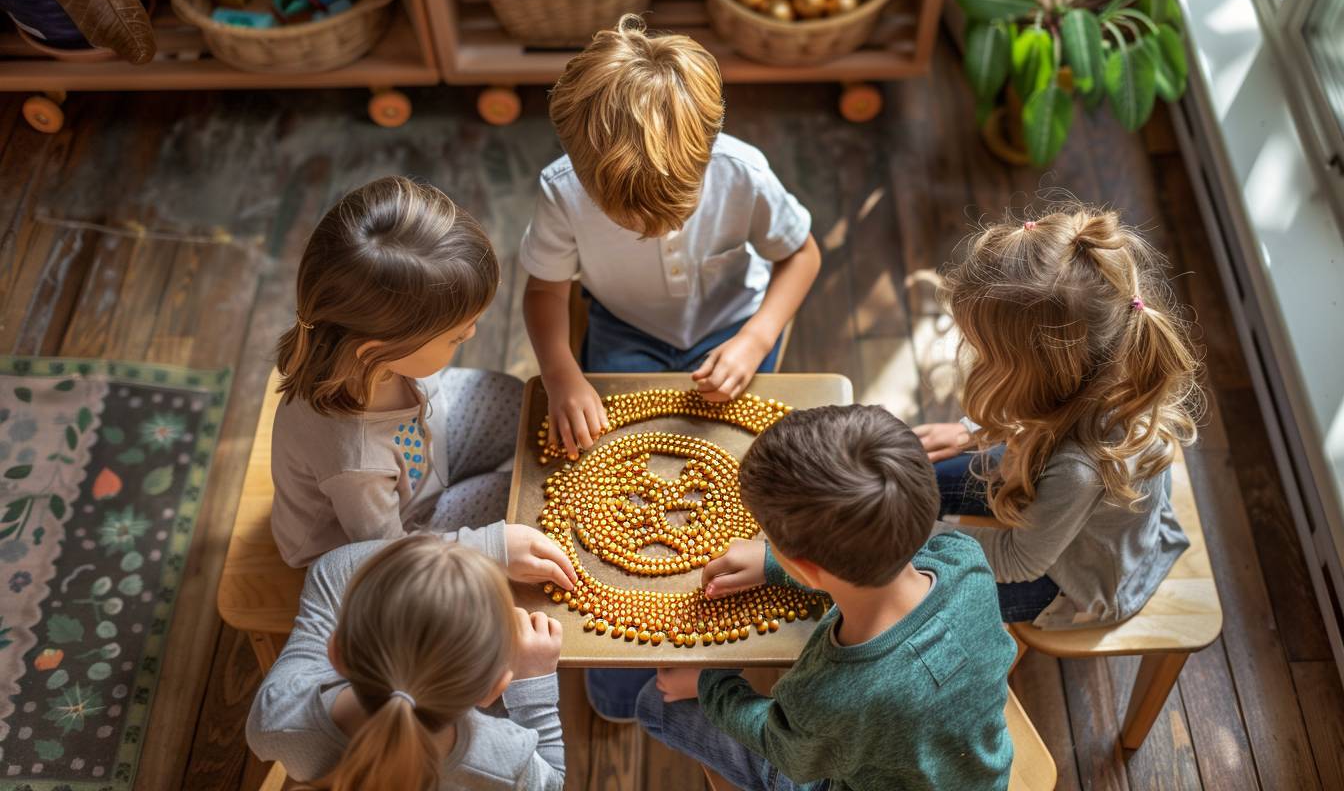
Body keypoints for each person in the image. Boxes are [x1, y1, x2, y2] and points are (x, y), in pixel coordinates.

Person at [641, 405, 1016, 791]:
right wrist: (776, 562)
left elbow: (786, 751)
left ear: (805, 568)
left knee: (652, 703)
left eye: (769, 539)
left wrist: (709, 685)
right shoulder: (965, 561)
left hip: (840, 767)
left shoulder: (829, 694)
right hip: (980, 771)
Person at [520, 14, 821, 461]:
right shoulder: (563, 191)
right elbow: (545, 289)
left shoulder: (743, 173)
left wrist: (756, 338)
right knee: (611, 449)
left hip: (734, 322)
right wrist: (560, 374)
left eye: (672, 214)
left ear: (707, 158)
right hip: (626, 329)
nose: (650, 230)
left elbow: (802, 255)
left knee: (741, 451)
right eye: (628, 219)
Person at [914, 202, 1202, 627]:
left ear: (1042, 372)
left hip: (1073, 577)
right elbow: (1039, 415)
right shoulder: (1092, 373)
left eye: (985, 353)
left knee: (917, 589)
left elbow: (1017, 559)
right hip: (1050, 476)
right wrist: (970, 432)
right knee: (918, 479)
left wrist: (911, 539)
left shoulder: (1079, 468)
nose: (972, 357)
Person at [270, 177, 523, 568]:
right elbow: (389, 558)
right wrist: (492, 547)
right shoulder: (357, 463)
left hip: (422, 460)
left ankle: (456, 488)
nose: (472, 333)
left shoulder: (370, 355)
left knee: (517, 401)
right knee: (518, 500)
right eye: (456, 336)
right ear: (379, 351)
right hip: (387, 541)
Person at [247, 522, 577, 789]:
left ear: (337, 651)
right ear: (495, 690)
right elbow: (552, 781)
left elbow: (331, 571)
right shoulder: (505, 758)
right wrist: (535, 684)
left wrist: (476, 547)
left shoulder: (278, 715)